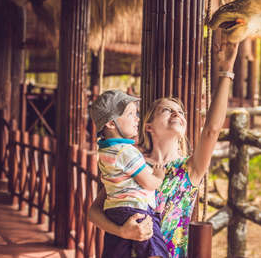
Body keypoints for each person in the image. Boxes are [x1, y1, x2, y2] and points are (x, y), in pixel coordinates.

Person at [89, 39, 239, 257]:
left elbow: (211, 130)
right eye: (167, 110)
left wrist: (226, 72)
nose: (177, 113)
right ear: (148, 126)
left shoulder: (189, 169)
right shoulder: (133, 161)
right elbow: (94, 212)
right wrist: (122, 231)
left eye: (180, 112)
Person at [89, 90, 169, 258]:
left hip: (114, 213)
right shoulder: (126, 151)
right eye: (130, 114)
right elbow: (149, 183)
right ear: (111, 123)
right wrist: (159, 175)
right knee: (156, 252)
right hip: (137, 210)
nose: (137, 118)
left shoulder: (106, 152)